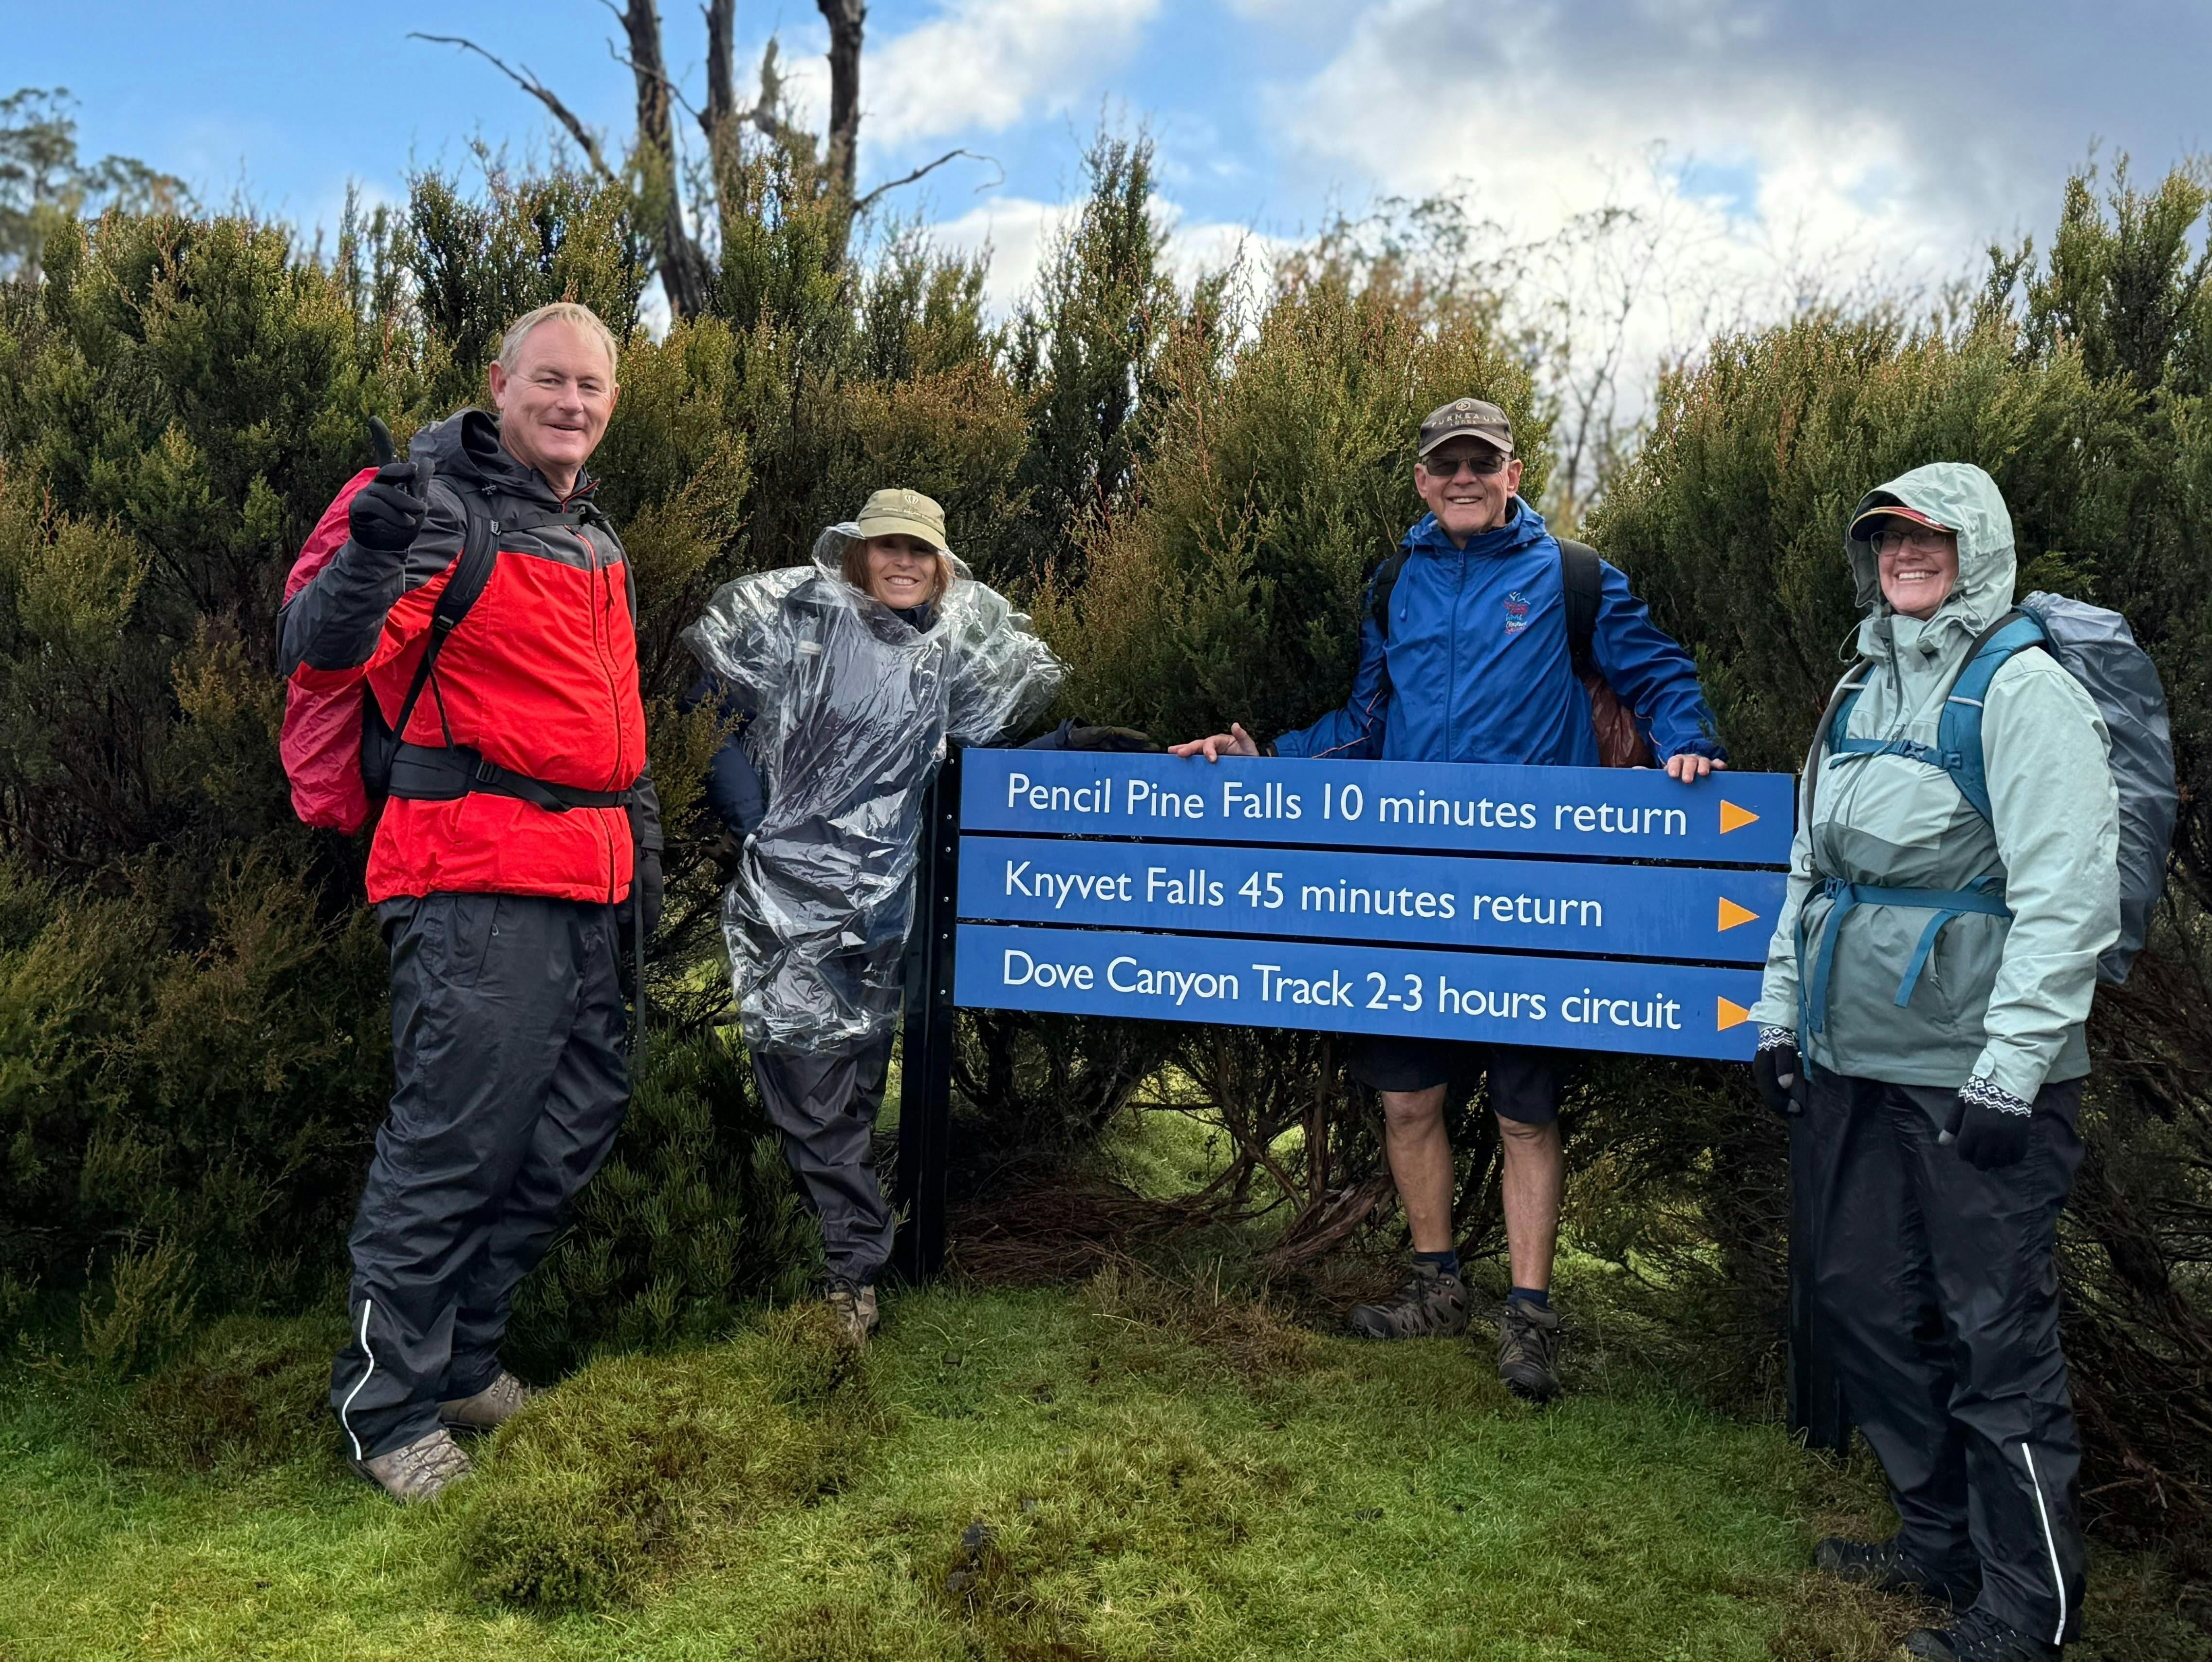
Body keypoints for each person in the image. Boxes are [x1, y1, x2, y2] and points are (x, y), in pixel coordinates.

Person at [1172, 397, 1724, 1401]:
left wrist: (1687, 738)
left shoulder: (1574, 577)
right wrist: (1264, 759)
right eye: (1445, 464)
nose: (1463, 477)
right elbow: (1364, 721)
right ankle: (1435, 1286)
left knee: (1524, 1112)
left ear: (1514, 472)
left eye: (1483, 461)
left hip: (1532, 890)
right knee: (1408, 1098)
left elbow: (1658, 673)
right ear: (1422, 479)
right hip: (1411, 887)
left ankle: (1530, 1315)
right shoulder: (1397, 582)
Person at [279, 302, 660, 1503]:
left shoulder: (589, 535)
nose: (572, 404)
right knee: (452, 1148)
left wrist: (641, 869)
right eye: (550, 381)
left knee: (567, 1134)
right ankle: (386, 1411)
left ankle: (462, 1362)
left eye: (592, 388)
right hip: (473, 878)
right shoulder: (434, 509)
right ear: (499, 383)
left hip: (590, 882)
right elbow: (324, 649)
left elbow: (613, 739)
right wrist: (368, 555)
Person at [1749, 464, 2117, 1662]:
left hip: (1978, 1078)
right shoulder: (1858, 688)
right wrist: (1777, 1014)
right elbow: (1812, 869)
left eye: (1929, 537)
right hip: (1852, 1057)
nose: (1906, 554)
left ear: (1978, 550)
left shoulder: (2021, 692)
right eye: (1888, 537)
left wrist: (2014, 1067)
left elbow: (2069, 896)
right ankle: (1936, 1539)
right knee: (1860, 1300)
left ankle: (2026, 1606)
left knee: (1992, 1335)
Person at [685, 489, 1061, 1343]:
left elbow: (988, 759)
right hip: (792, 896)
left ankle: (825, 1247)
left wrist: (1118, 749)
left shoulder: (950, 649)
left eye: (920, 552)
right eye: (888, 546)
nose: (903, 563)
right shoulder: (798, 622)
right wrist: (756, 823)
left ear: (942, 568)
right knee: (809, 1077)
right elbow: (706, 713)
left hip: (888, 906)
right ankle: (853, 1272)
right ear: (856, 552)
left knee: (852, 1079)